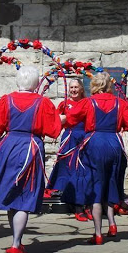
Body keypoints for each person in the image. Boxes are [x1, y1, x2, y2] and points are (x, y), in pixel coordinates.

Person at [0, 66, 61, 253]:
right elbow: (53, 130)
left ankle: (16, 242)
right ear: (36, 84)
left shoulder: (6, 100)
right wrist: (62, 119)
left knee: (12, 192)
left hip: (9, 146)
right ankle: (17, 243)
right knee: (25, 195)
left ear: (18, 81)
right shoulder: (43, 102)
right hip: (31, 147)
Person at [62, 72, 128, 244]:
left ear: (94, 86)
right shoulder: (120, 103)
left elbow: (71, 118)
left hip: (94, 143)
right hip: (114, 144)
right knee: (110, 183)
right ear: (109, 86)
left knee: (95, 187)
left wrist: (52, 123)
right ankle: (112, 224)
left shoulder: (88, 102)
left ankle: (97, 233)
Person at [47, 79, 92, 222]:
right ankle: (76, 206)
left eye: (76, 87)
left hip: (83, 138)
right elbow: (54, 120)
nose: (73, 90)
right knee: (69, 171)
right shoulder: (64, 104)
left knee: (83, 172)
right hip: (69, 139)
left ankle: (86, 205)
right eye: (71, 87)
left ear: (81, 89)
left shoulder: (87, 103)